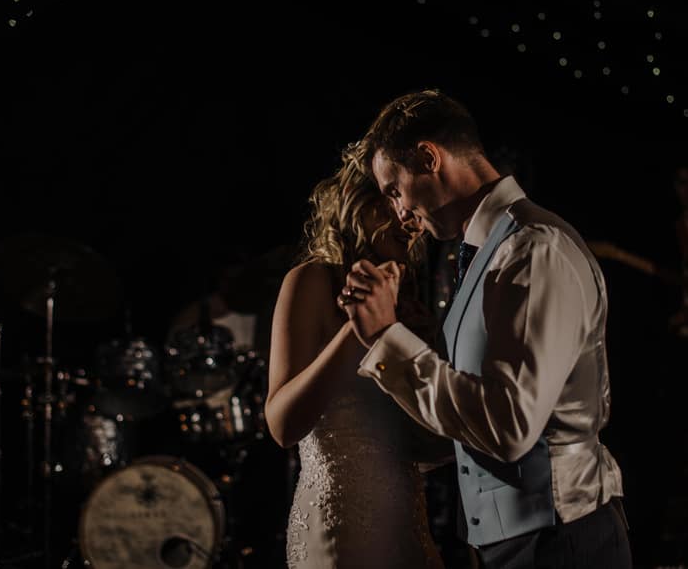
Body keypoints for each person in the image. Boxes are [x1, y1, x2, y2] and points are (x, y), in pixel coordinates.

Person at [340, 89, 631, 568]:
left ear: (429, 158)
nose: (399, 211)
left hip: (560, 539)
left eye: (394, 189)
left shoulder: (531, 249)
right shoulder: (488, 251)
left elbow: (510, 426)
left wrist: (387, 340)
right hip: (520, 541)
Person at [265, 142, 446, 568]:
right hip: (338, 531)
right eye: (392, 198)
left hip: (408, 527)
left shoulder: (411, 299)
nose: (410, 219)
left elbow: (427, 445)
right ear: (356, 198)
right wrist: (360, 329)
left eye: (412, 205)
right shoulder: (311, 281)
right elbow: (282, 426)